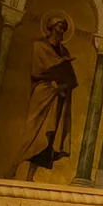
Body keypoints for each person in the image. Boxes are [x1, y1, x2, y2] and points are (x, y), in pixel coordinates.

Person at [17, 13, 79, 181]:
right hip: (42, 93)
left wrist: (62, 86)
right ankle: (12, 168)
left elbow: (72, 80)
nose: (62, 31)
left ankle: (30, 176)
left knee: (47, 136)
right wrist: (56, 70)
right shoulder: (39, 46)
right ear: (51, 27)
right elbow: (37, 71)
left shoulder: (64, 51)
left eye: (64, 29)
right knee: (32, 132)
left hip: (56, 97)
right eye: (60, 27)